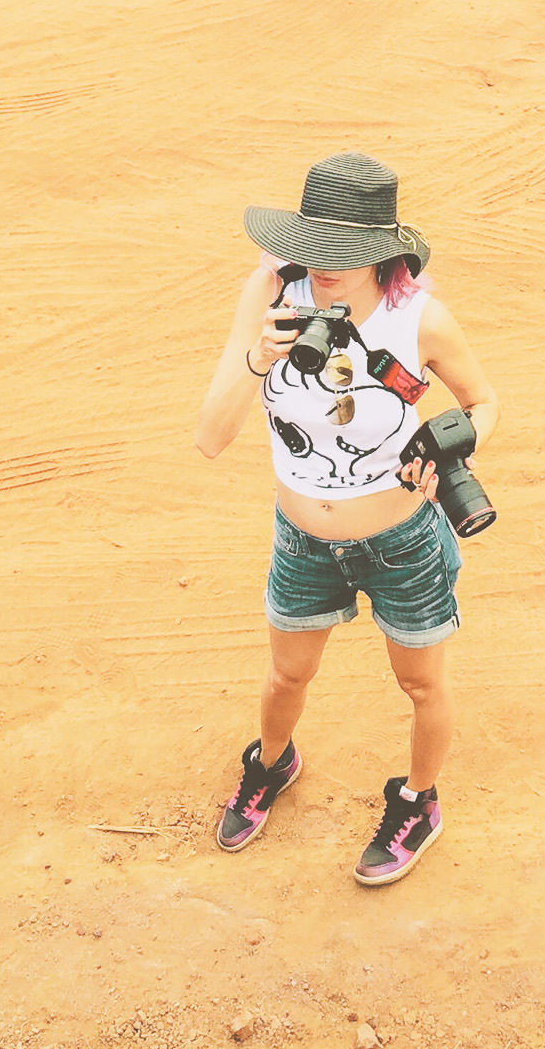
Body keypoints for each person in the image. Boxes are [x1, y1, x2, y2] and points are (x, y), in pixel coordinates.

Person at [195, 152, 498, 885]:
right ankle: (272, 764)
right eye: (314, 247)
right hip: (302, 543)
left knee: (421, 686)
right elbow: (210, 436)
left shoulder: (420, 320)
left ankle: (417, 803)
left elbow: (482, 402)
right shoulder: (270, 292)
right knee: (285, 677)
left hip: (402, 543)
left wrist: (450, 441)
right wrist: (254, 360)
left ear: (381, 254)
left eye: (345, 253)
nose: (322, 266)